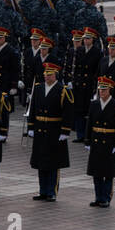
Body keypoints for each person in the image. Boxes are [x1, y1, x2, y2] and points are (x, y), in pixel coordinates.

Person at [26, 61, 73, 199]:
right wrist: (31, 126)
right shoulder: (39, 88)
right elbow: (33, 109)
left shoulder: (62, 90)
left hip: (54, 130)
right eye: (45, 74)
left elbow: (67, 112)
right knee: (41, 162)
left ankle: (51, 191)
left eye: (49, 74)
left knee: (53, 163)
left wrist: (65, 131)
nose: (46, 77)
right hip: (40, 128)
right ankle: (42, 190)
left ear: (55, 75)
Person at [84, 76, 115, 207]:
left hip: (109, 141)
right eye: (100, 89)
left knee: (108, 173)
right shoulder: (94, 104)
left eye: (104, 90)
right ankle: (98, 197)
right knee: (96, 172)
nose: (101, 92)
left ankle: (106, 197)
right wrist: (87, 141)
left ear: (110, 90)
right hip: (96, 141)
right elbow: (89, 124)